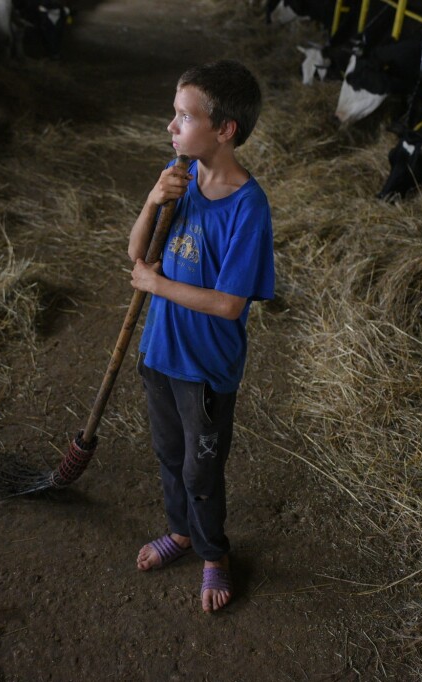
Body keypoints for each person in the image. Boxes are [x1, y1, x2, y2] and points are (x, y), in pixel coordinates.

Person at [127, 59, 275, 613]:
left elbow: (229, 303)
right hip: (160, 352)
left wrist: (156, 284)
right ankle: (181, 532)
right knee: (168, 453)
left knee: (202, 467)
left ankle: (214, 552)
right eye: (174, 115)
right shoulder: (179, 176)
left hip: (206, 368)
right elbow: (136, 253)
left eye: (184, 117)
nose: (171, 126)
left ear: (224, 130)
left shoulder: (247, 207)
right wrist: (152, 200)